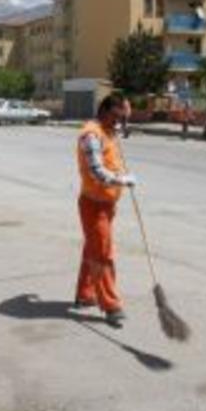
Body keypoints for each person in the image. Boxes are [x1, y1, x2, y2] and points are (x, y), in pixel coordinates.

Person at [74, 93, 137, 328]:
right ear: (108, 111)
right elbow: (97, 173)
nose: (121, 123)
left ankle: (85, 294)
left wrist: (124, 122)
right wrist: (123, 180)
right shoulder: (91, 135)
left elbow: (120, 134)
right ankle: (111, 306)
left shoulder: (109, 130)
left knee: (93, 248)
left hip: (107, 204)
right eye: (119, 117)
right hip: (93, 204)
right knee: (103, 253)